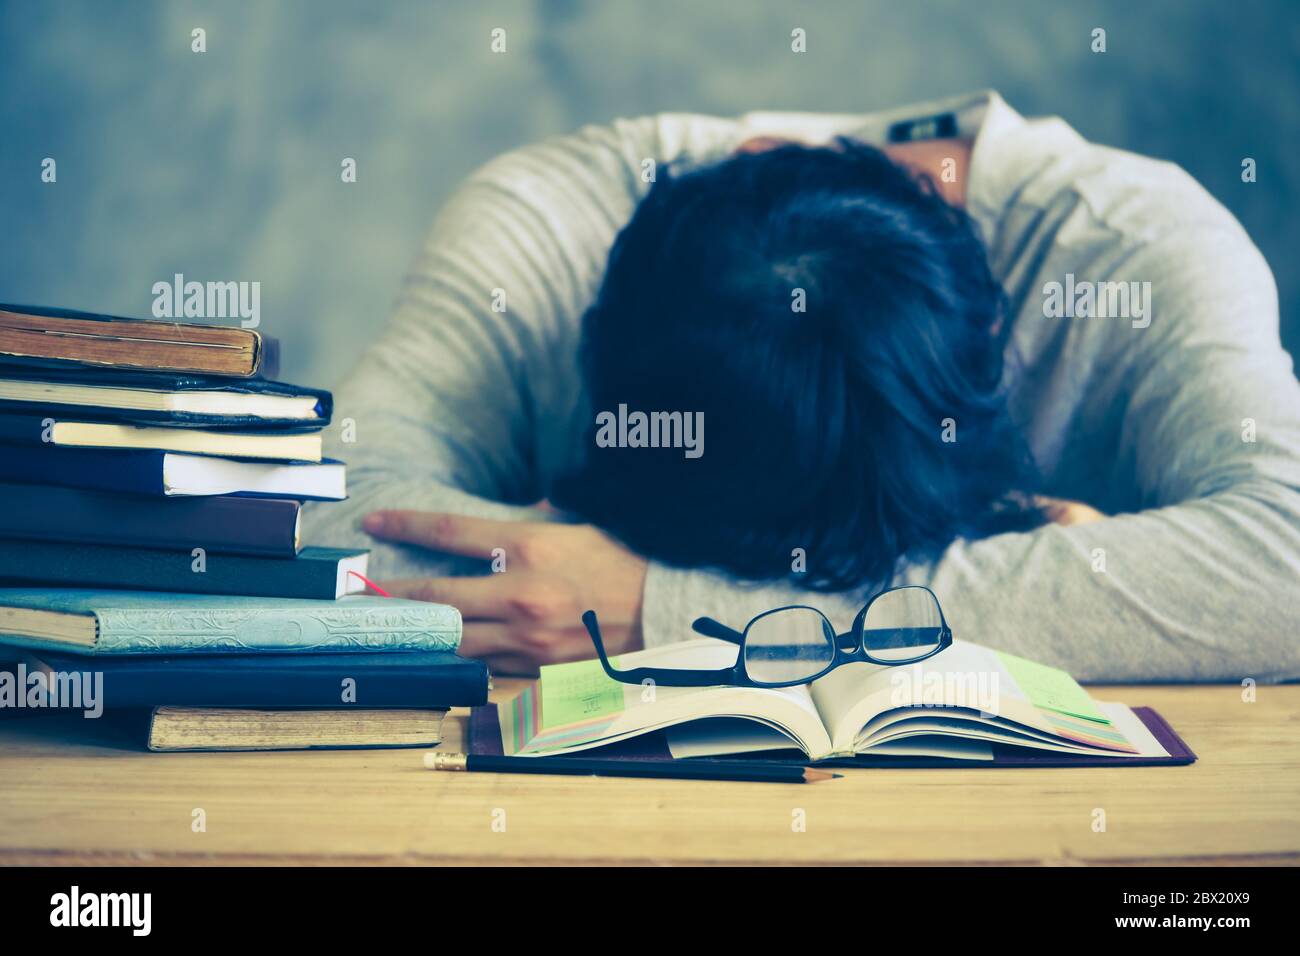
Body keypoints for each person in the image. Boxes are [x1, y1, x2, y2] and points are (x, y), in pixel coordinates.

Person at [306, 91, 1300, 681]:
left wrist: (666, 606)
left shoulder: (1138, 251)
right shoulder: (543, 231)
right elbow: (313, 514)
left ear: (991, 336)